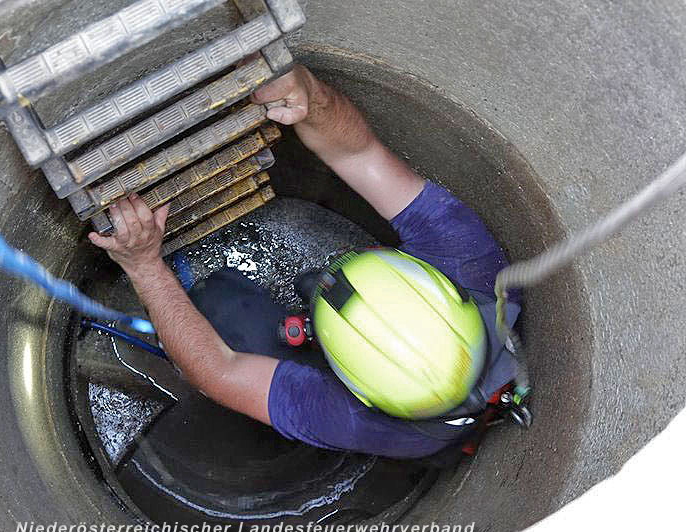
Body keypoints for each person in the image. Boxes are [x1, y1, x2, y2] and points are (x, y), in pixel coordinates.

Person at [88, 64, 521, 460]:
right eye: (363, 265)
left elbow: (220, 370)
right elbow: (360, 155)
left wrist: (145, 267)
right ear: (436, 284)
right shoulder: (472, 265)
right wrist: (311, 99)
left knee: (219, 308)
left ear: (354, 389)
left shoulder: (361, 422)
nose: (332, 274)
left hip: (400, 428)